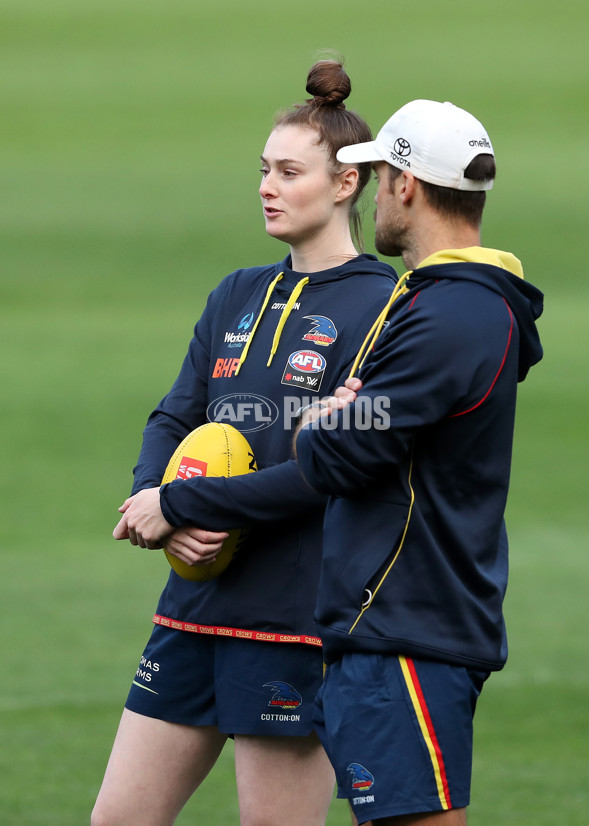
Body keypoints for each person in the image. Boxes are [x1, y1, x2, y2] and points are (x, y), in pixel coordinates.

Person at [91, 60, 398, 826]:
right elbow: (176, 413)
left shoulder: (385, 307)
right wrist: (152, 499)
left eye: (290, 171)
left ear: (344, 185)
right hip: (191, 604)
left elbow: (332, 468)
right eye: (263, 169)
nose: (267, 185)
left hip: (294, 616)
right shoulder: (236, 292)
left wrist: (183, 502)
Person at [294, 99, 544, 825]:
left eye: (377, 179)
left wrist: (319, 422)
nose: (373, 197)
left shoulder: (451, 314)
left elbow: (344, 454)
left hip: (406, 627)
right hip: (402, 625)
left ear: (405, 185)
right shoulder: (443, 303)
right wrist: (340, 418)